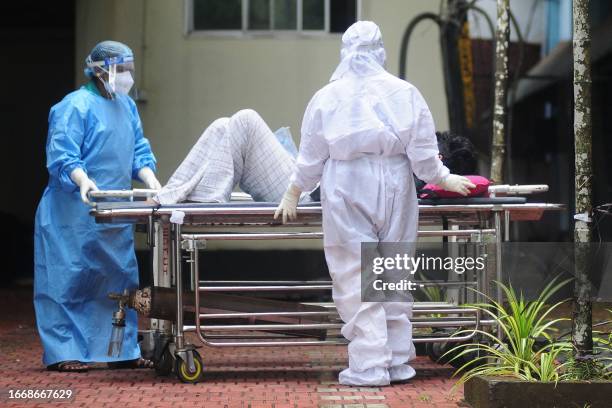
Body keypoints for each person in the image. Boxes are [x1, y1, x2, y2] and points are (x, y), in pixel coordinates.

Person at [274, 21, 475, 386]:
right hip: (398, 181)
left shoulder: (327, 97)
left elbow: (311, 155)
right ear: (380, 50)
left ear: (345, 51)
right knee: (393, 270)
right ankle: (397, 361)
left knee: (356, 273)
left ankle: (369, 366)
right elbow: (423, 152)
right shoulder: (405, 92)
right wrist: (443, 178)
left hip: (347, 183)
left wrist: (294, 191)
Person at [34, 41, 161, 372]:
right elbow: (62, 153)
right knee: (67, 280)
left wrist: (150, 179)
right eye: (124, 70)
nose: (128, 77)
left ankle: (120, 352)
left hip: (113, 213)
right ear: (102, 69)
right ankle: (64, 353)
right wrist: (81, 179)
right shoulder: (73, 106)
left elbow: (138, 150)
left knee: (117, 282)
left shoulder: (126, 106)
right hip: (71, 213)